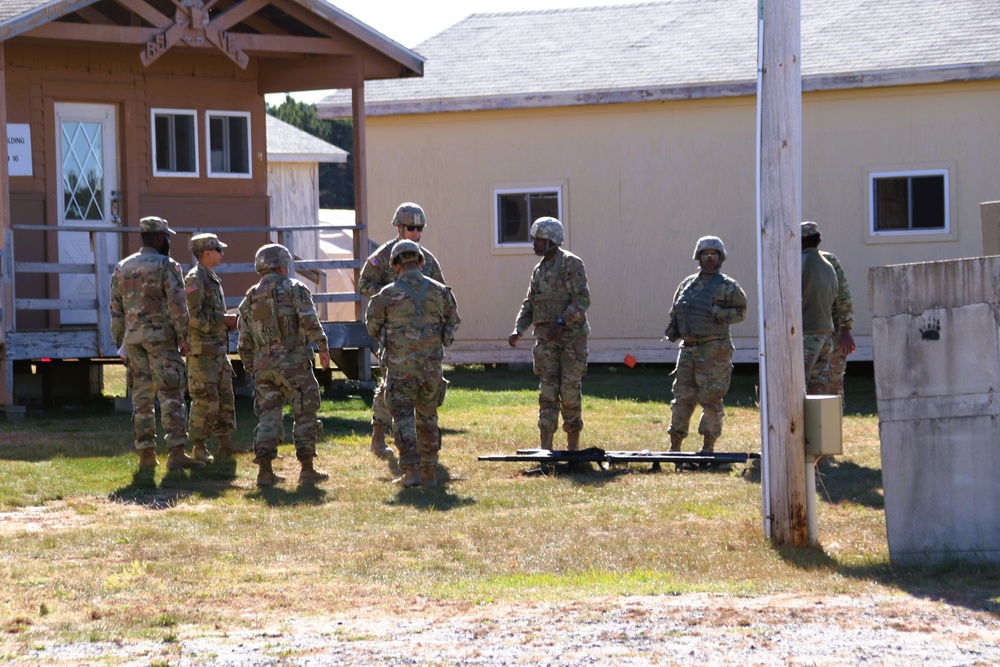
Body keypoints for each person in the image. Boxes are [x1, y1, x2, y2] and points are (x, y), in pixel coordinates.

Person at [110, 216, 204, 471]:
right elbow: (178, 305)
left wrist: (121, 344)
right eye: (168, 237)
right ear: (160, 238)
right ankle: (176, 452)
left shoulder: (122, 267)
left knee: (141, 399)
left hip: (134, 340)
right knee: (171, 395)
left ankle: (146, 455)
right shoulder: (167, 265)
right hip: (161, 339)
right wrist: (183, 338)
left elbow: (116, 310)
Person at [365, 240, 460, 487]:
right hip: (431, 370)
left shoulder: (385, 295)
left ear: (395, 265)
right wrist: (442, 338)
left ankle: (411, 472)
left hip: (400, 370)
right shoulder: (442, 291)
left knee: (404, 419)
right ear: (420, 262)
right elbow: (453, 322)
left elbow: (372, 327)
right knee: (428, 418)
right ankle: (429, 473)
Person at [237, 244, 331, 487]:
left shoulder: (249, 298)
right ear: (282, 265)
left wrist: (253, 366)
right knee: (305, 414)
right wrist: (322, 346)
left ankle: (265, 472)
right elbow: (309, 320)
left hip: (264, 368)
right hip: (294, 364)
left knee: (268, 416)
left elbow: (244, 341)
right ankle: (307, 468)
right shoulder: (294, 289)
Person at [359, 203, 447, 461]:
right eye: (411, 227)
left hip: (425, 340)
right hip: (395, 336)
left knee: (427, 390)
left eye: (419, 228)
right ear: (399, 227)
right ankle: (378, 436)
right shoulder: (383, 256)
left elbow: (440, 291)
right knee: (390, 385)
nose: (416, 233)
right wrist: (392, 299)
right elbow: (365, 284)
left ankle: (422, 446)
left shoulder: (427, 259)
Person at [508, 217, 590, 451]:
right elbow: (530, 303)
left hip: (571, 341)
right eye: (534, 239)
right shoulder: (539, 270)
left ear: (552, 241)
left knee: (570, 392)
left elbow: (583, 299)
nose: (534, 244)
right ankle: (546, 448)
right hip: (546, 342)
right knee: (547, 393)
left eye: (539, 240)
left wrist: (562, 321)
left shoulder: (571, 264)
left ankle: (573, 448)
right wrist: (518, 330)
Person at [664, 236, 747, 453]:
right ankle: (675, 447)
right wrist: (675, 327)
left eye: (714, 254)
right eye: (705, 254)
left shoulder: (728, 286)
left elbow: (741, 312)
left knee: (711, 399)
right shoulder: (687, 284)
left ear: (721, 257)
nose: (709, 258)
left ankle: (708, 448)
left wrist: (720, 314)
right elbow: (676, 308)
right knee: (682, 397)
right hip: (688, 348)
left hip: (714, 350)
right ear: (698, 257)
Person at [185, 233, 247, 463]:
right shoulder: (194, 280)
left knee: (224, 398)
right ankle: (199, 447)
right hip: (202, 354)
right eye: (218, 250)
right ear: (207, 253)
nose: (222, 254)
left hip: (218, 351)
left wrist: (225, 323)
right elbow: (193, 317)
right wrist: (222, 320)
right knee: (204, 400)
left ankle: (225, 442)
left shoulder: (210, 278)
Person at [801, 221, 840, 394]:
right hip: (826, 335)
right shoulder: (828, 265)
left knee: (798, 387)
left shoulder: (800, 263)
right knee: (818, 389)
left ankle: (799, 422)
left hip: (807, 335)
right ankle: (818, 422)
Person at [817, 229, 856, 397]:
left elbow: (843, 295)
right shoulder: (791, 262)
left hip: (831, 334)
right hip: (805, 336)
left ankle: (833, 422)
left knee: (834, 387)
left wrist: (845, 330)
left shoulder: (828, 261)